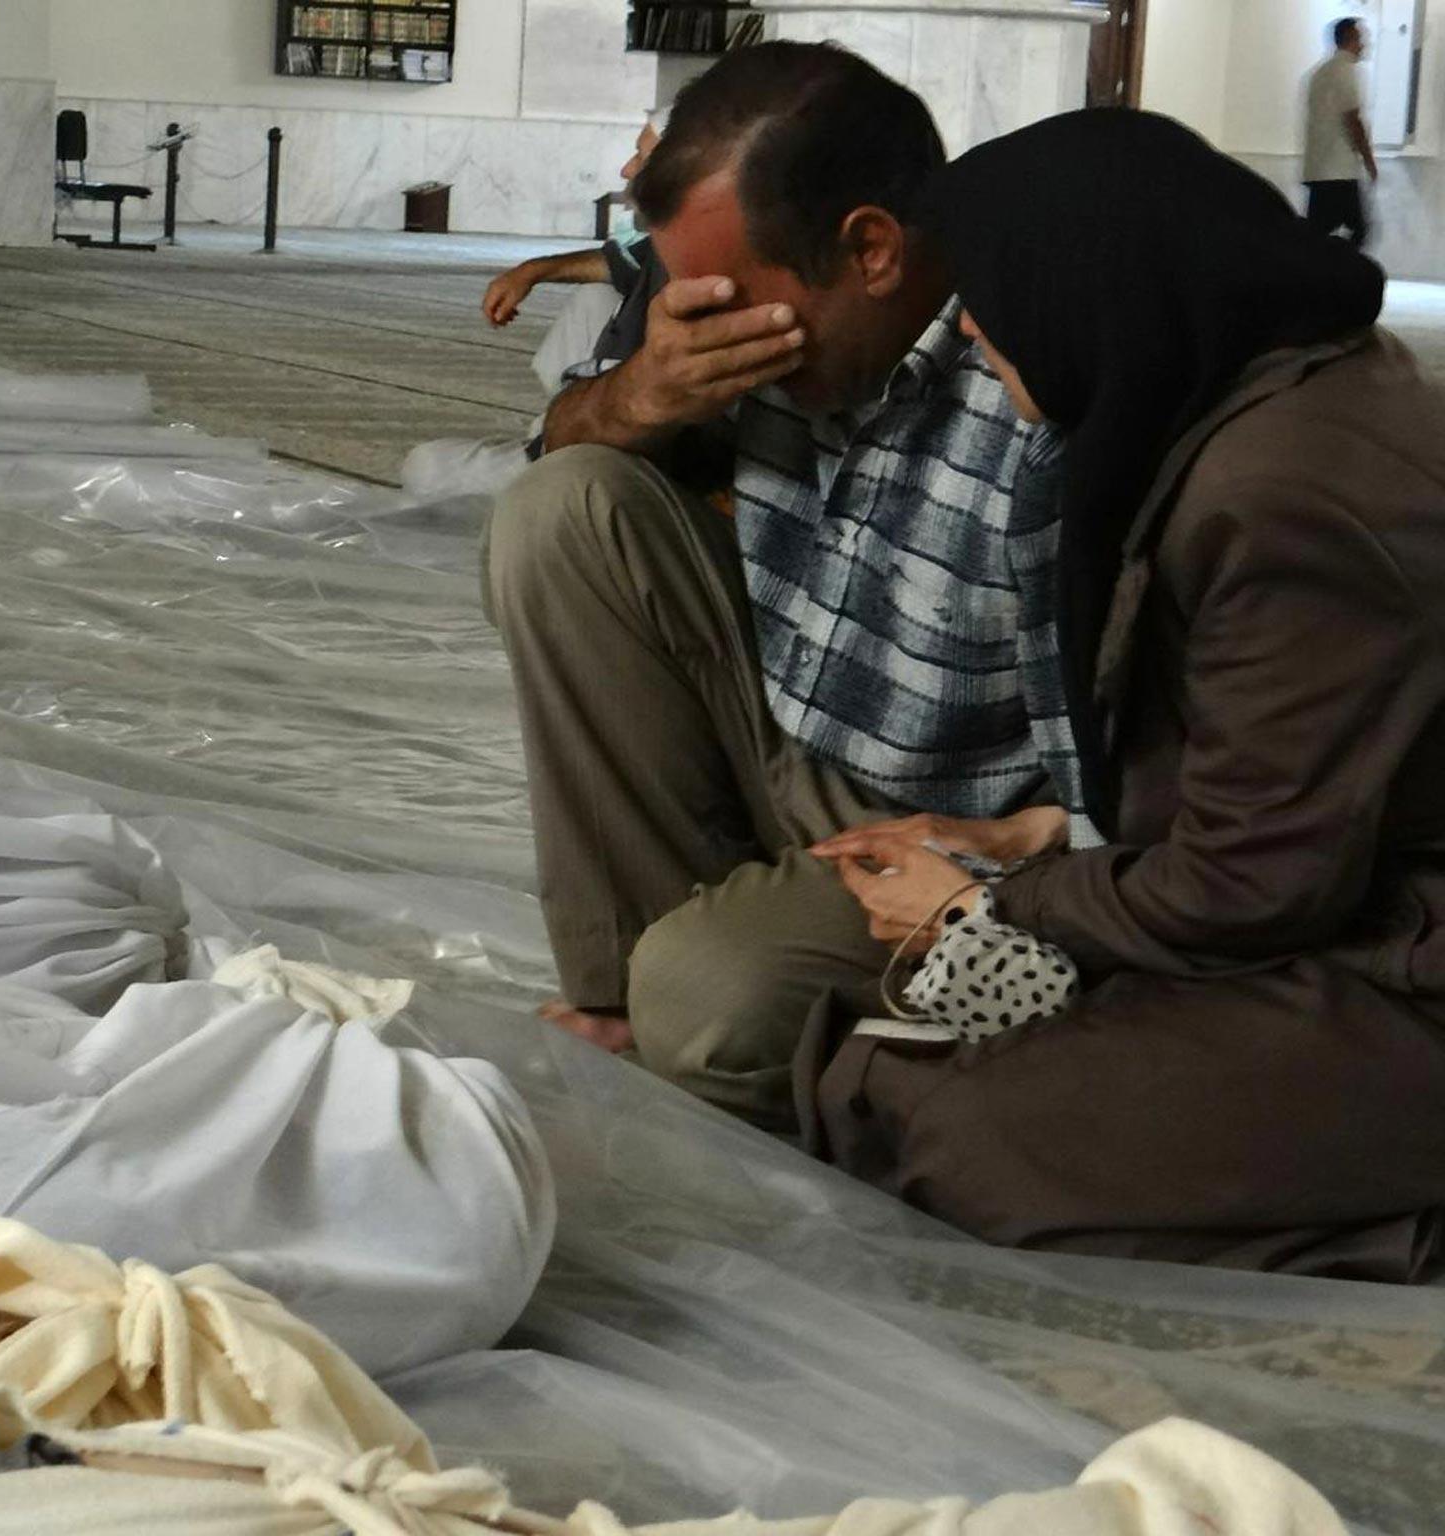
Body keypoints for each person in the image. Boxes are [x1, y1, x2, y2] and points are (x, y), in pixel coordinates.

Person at [810, 108, 1445, 1280]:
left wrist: (999, 908)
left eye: (997, 347)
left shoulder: (1281, 490)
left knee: (952, 1133)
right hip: (1352, 919)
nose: (998, 386)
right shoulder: (1276, 397)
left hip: (1401, 975)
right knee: (880, 1066)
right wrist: (1032, 832)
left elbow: (1251, 887)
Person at [485, 43, 1065, 1128]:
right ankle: (626, 990)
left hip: (942, 834)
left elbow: (1146, 812)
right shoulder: (748, 340)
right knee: (564, 507)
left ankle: (706, 996)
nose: (702, 327)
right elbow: (556, 444)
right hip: (796, 734)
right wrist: (637, 395)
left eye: (729, 301)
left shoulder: (1032, 384)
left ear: (870, 251)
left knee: (709, 1005)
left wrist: (1005, 856)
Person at [480, 116, 662, 330]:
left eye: (641, 157)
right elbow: (622, 263)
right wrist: (529, 272)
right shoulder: (657, 247)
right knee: (593, 299)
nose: (627, 170)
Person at [1303, 17, 1378, 246]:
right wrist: (1369, 161)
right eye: (1361, 38)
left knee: (1315, 235)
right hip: (1339, 170)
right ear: (1349, 39)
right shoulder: (1345, 71)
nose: (1364, 44)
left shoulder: (1318, 74)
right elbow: (1352, 119)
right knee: (1360, 230)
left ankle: (1316, 273)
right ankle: (1336, 276)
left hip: (1318, 168)